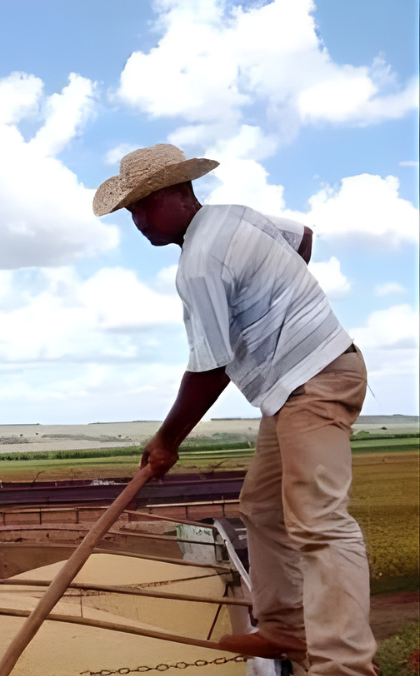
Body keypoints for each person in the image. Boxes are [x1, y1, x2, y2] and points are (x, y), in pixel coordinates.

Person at [94, 144, 375, 675]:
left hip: (313, 379)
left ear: (182, 193)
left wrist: (166, 441)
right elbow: (303, 239)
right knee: (263, 507)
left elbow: (209, 368)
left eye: (146, 204)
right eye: (130, 211)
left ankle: (343, 665)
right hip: (289, 387)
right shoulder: (235, 217)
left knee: (318, 520)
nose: (138, 220)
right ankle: (287, 629)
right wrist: (276, 304)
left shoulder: (198, 265)